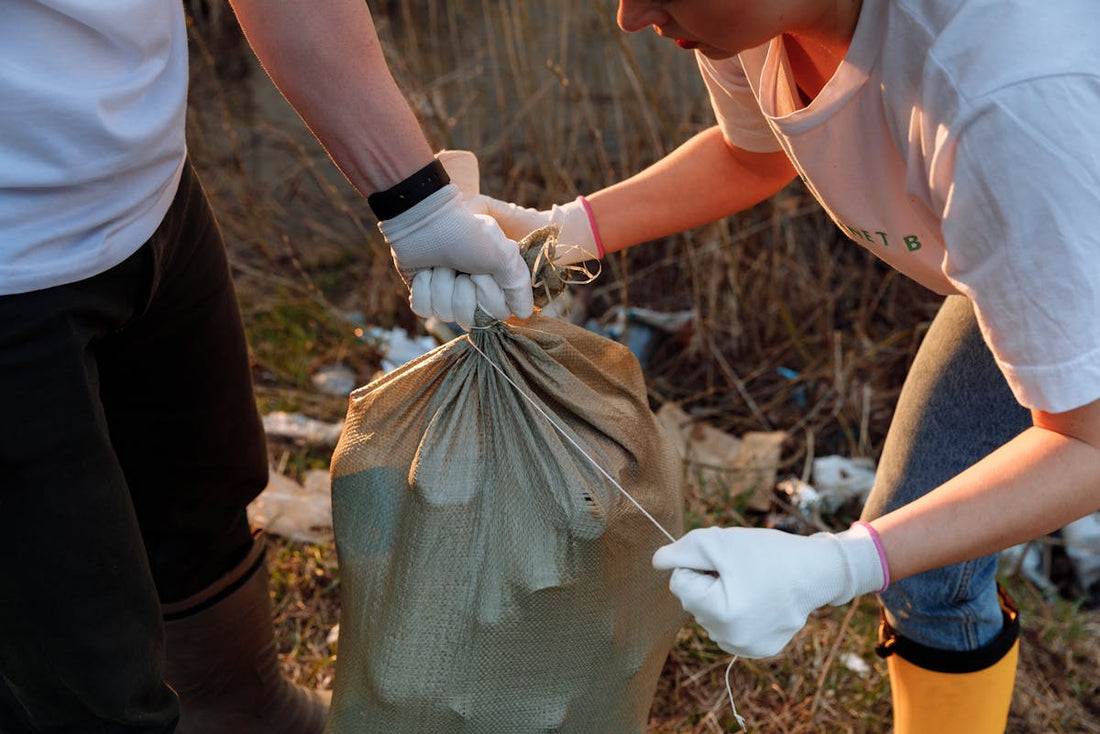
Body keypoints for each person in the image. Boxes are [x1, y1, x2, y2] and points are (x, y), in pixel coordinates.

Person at [411, 0, 1100, 731]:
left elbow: (1087, 444)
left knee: (917, 545)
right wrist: (558, 232)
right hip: (1051, 251)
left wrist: (836, 566)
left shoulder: (1004, 95)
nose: (630, 15)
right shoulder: (753, 19)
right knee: (925, 556)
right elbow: (754, 152)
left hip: (1069, 244)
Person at [0, 1, 530, 732]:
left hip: (149, 198)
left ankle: (246, 713)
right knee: (74, 656)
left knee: (202, 505)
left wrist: (419, 206)